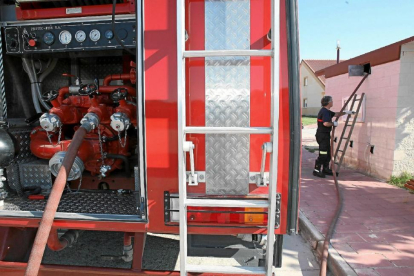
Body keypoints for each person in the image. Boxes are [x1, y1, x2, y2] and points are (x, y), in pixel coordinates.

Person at [313, 96, 354, 178]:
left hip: (325, 135)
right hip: (323, 136)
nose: (332, 102)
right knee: (323, 154)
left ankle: (325, 169)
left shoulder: (327, 111)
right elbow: (326, 123)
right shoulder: (324, 112)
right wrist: (333, 124)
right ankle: (316, 170)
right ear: (328, 102)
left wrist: (346, 112)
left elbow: (336, 114)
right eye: (331, 101)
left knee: (327, 153)